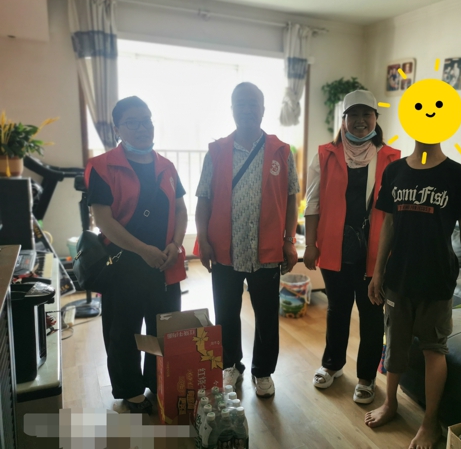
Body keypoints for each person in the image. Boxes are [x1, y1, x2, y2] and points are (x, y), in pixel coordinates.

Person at [365, 140, 461, 448]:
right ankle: (390, 403)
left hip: (437, 280)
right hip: (398, 277)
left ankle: (430, 422)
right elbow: (389, 224)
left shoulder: (458, 175)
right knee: (395, 344)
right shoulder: (394, 171)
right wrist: (378, 272)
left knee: (434, 349)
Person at [195, 82, 299, 398]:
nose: (247, 109)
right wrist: (203, 239)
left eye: (253, 103)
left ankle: (262, 371)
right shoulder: (216, 151)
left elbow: (291, 198)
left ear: (263, 109)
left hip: (266, 250)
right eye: (241, 103)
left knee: (266, 315)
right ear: (232, 109)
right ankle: (231, 365)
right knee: (226, 312)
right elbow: (203, 198)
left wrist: (289, 240)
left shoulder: (281, 151)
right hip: (225, 248)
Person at [85, 96, 187, 414]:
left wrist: (176, 244)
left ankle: (158, 380)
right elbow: (103, 221)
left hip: (165, 264)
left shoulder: (166, 167)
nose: (143, 128)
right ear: (117, 128)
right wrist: (143, 250)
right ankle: (130, 389)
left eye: (147, 120)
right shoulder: (102, 167)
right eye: (133, 122)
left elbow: (181, 210)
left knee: (163, 328)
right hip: (124, 264)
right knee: (124, 330)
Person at [304, 90, 400, 404]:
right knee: (337, 309)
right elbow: (313, 203)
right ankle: (332, 365)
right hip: (336, 247)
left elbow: (396, 212)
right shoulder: (325, 155)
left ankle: (367, 377)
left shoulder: (391, 158)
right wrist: (310, 244)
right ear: (343, 119)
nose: (360, 121)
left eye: (366, 114)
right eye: (353, 115)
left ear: (376, 118)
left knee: (371, 314)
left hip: (376, 252)